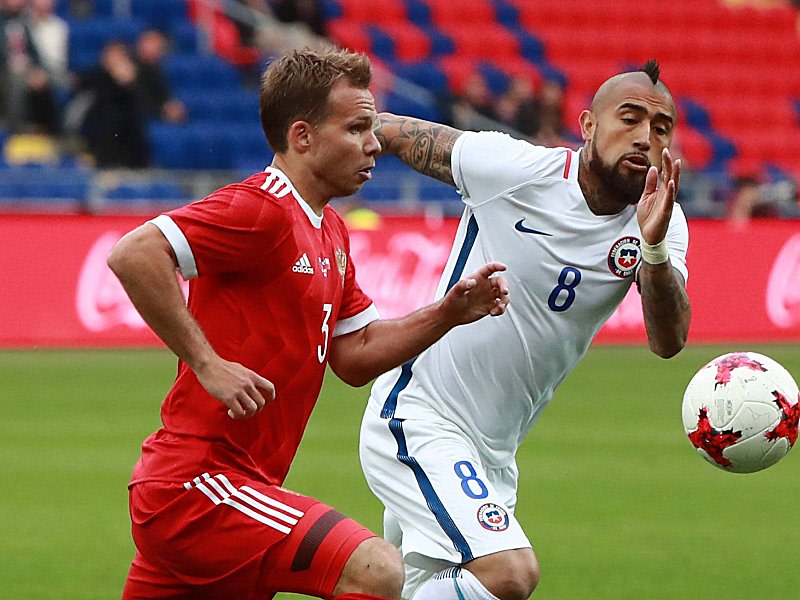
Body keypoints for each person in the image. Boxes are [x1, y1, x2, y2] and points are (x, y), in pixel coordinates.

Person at [107, 46, 511, 600]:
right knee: (376, 568)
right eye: (357, 128)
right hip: (200, 485)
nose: (375, 144)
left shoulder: (330, 230)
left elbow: (355, 354)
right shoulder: (262, 209)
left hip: (233, 490)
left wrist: (448, 313)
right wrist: (207, 363)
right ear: (302, 137)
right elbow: (134, 254)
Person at [359, 60, 691, 600]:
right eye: (628, 119)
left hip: (494, 457)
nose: (643, 137)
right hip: (419, 417)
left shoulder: (660, 220)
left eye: (660, 128)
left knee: (404, 588)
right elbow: (397, 133)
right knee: (509, 574)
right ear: (586, 126)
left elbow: (668, 339)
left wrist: (652, 249)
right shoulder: (516, 169)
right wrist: (312, 160)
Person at [133, 29, 186, 124]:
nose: (155, 49)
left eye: (158, 46)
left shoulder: (157, 72)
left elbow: (164, 98)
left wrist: (171, 108)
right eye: (151, 43)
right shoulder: (130, 70)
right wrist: (162, 111)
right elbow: (136, 100)